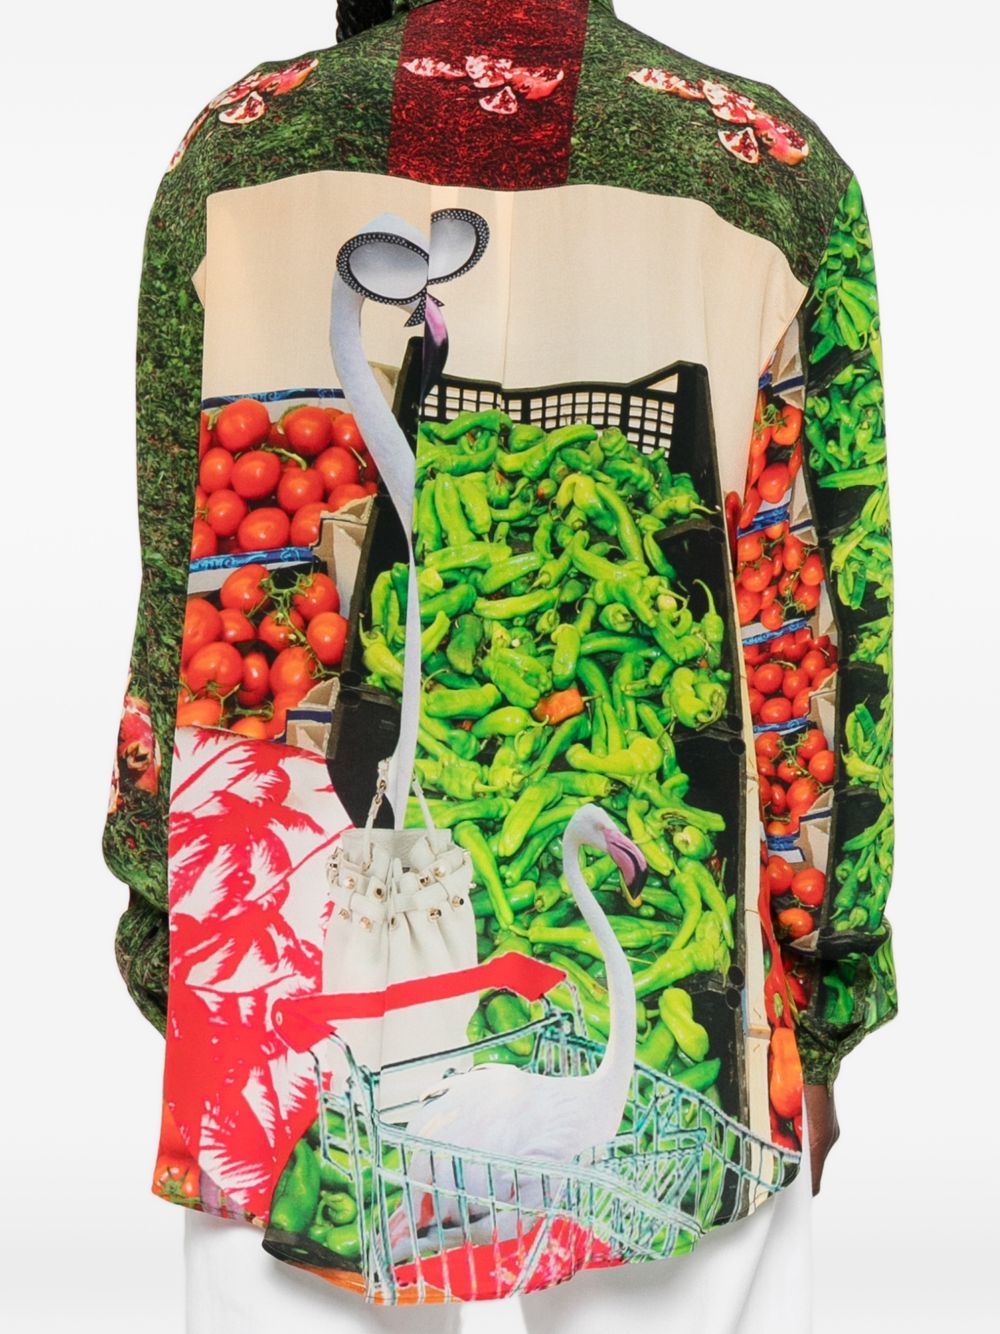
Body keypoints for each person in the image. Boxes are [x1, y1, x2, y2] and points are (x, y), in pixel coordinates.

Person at [102, 0, 897, 1326]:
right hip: (683, 1050)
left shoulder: (236, 155)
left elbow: (169, 608)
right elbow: (823, 639)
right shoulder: (772, 175)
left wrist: (160, 932)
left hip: (298, 1024)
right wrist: (825, 996)